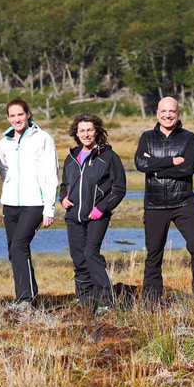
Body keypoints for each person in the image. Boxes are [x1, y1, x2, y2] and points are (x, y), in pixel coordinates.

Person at [135, 97, 194, 305]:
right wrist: (170, 161)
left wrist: (156, 167)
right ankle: (151, 301)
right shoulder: (147, 137)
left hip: (183, 203)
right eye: (163, 111)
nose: (167, 115)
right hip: (154, 205)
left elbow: (188, 168)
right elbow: (141, 163)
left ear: (178, 114)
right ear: (157, 113)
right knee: (154, 254)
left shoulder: (189, 138)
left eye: (172, 111)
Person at [59, 113, 126, 315]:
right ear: (76, 133)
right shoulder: (71, 158)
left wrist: (101, 208)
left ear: (96, 131)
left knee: (91, 254)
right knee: (79, 258)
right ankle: (85, 300)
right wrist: (62, 198)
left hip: (97, 215)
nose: (86, 134)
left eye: (89, 130)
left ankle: (106, 302)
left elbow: (119, 189)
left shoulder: (108, 157)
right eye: (82, 131)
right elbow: (65, 185)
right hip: (73, 216)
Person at [0, 98, 58, 305]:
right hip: (11, 205)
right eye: (12, 116)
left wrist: (49, 208)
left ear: (28, 114)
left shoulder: (42, 138)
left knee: (19, 246)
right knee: (15, 251)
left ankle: (25, 298)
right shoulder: (4, 142)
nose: (17, 119)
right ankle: (26, 295)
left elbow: (51, 174)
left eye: (20, 114)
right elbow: (4, 170)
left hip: (34, 204)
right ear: (8, 118)